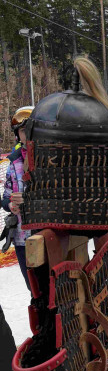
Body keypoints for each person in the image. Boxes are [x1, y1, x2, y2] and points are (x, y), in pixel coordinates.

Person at [1, 106, 33, 289]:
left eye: (31, 130)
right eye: (23, 130)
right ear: (17, 134)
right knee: (33, 288)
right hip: (22, 237)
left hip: (48, 233)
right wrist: (11, 204)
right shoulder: (14, 162)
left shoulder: (52, 159)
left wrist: (30, 200)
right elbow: (5, 198)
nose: (27, 134)